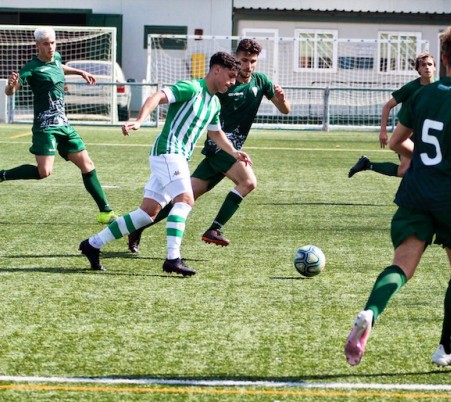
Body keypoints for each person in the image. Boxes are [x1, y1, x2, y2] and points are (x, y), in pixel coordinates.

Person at [344, 23, 451, 368]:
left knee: (401, 265)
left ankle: (371, 312)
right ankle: (446, 349)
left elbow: (395, 143)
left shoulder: (423, 94)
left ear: (443, 58)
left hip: (416, 191)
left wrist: (421, 156)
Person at [78, 52, 251, 276]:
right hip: (168, 151)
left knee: (147, 214)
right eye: (230, 76)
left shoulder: (215, 103)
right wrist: (140, 120)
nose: (232, 82)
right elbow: (157, 96)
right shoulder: (192, 88)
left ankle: (92, 244)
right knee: (186, 200)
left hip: (176, 157)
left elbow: (216, 133)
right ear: (216, 69)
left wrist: (235, 153)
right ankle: (173, 259)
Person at [126, 38, 291, 253]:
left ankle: (140, 226)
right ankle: (214, 229)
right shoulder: (225, 84)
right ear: (236, 59)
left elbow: (285, 109)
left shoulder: (260, 82)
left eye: (253, 61)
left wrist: (281, 98)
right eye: (243, 60)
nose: (248, 66)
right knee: (248, 181)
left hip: (228, 150)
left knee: (184, 197)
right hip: (219, 147)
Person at [1, 27, 117, 224]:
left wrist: (80, 71)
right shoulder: (31, 68)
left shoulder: (56, 58)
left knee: (87, 165)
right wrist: (11, 85)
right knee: (43, 172)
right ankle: (2, 175)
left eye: (53, 42)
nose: (50, 47)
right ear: (37, 45)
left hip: (64, 125)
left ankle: (105, 212)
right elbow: (10, 92)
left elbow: (60, 66)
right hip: (45, 127)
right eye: (46, 43)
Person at [348, 53, 437, 178]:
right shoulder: (411, 88)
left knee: (423, 167)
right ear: (418, 69)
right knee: (405, 171)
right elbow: (387, 106)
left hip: (427, 133)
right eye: (423, 65)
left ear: (435, 68)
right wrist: (383, 131)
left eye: (429, 64)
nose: (427, 67)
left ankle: (366, 164)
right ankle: (367, 165)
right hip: (408, 134)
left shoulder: (440, 87)